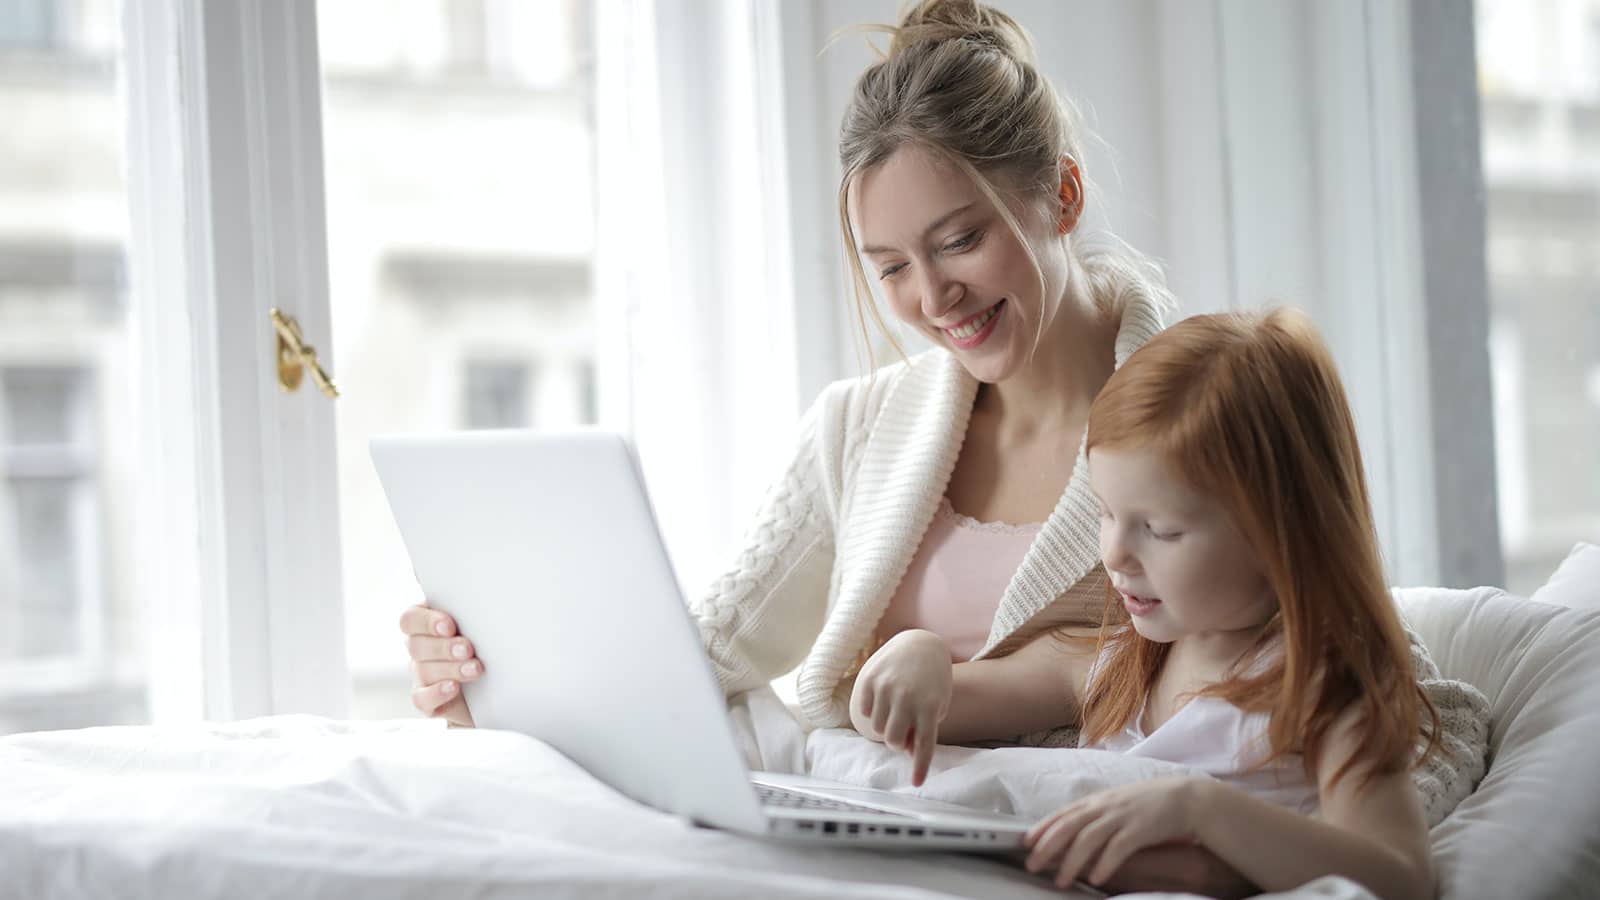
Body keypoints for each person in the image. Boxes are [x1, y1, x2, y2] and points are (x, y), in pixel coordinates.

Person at [398, 2, 1474, 894]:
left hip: (1043, 847)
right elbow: (698, 658)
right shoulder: (860, 429)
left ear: (1060, 193)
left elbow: (1333, 657)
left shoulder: (1190, 417)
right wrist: (503, 682)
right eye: (891, 265)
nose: (932, 296)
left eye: (959, 239)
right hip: (876, 821)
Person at [870, 309, 1443, 897]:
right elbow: (912, 719)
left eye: (1161, 530)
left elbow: (1400, 877)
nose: (1115, 554)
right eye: (1106, 513)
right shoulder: (1115, 657)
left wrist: (1200, 810)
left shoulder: (1323, 685)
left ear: (1281, 531)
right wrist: (919, 656)